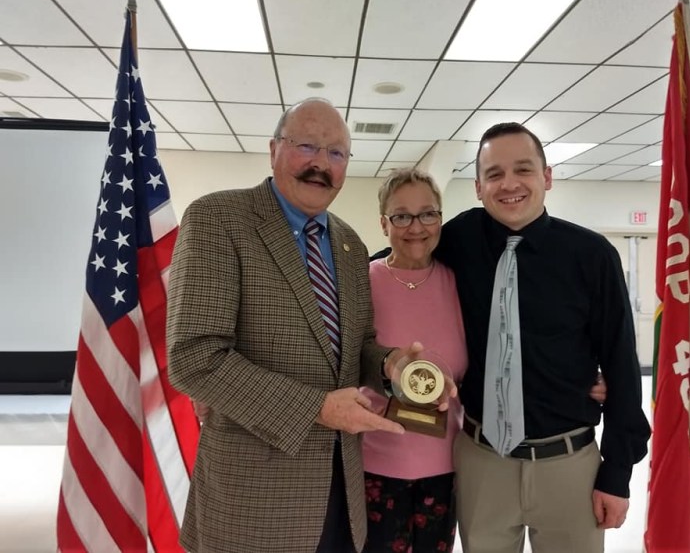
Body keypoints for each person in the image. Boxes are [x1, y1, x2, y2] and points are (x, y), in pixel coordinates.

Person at [167, 98, 420, 553]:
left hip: (341, 494)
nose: (321, 163)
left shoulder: (349, 243)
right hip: (251, 501)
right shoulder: (218, 219)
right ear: (273, 149)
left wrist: (390, 367)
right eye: (307, 145)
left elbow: (356, 347)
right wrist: (316, 409)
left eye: (336, 153)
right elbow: (194, 358)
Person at [434, 122, 651, 553]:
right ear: (478, 187)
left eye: (524, 170)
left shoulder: (592, 256)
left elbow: (624, 371)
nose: (509, 184)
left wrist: (617, 475)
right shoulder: (458, 239)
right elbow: (396, 263)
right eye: (494, 174)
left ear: (547, 177)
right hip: (483, 463)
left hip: (570, 466)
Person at [361, 168, 468, 553]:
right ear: (383, 224)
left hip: (446, 465)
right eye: (401, 216)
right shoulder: (362, 281)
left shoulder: (461, 283)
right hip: (374, 464)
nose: (416, 227)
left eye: (428, 213)